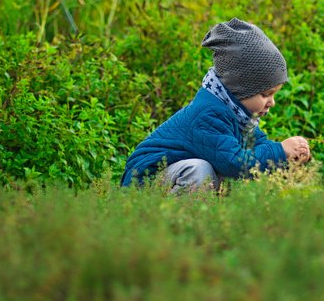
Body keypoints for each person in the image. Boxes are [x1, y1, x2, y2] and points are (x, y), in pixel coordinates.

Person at [121, 18, 311, 193]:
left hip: (171, 177)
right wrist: (279, 151)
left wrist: (289, 158)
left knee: (234, 177)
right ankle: (174, 226)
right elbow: (234, 163)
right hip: (143, 185)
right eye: (265, 94)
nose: (272, 102)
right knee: (200, 170)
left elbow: (257, 146)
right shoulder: (208, 115)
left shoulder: (240, 116)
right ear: (240, 89)